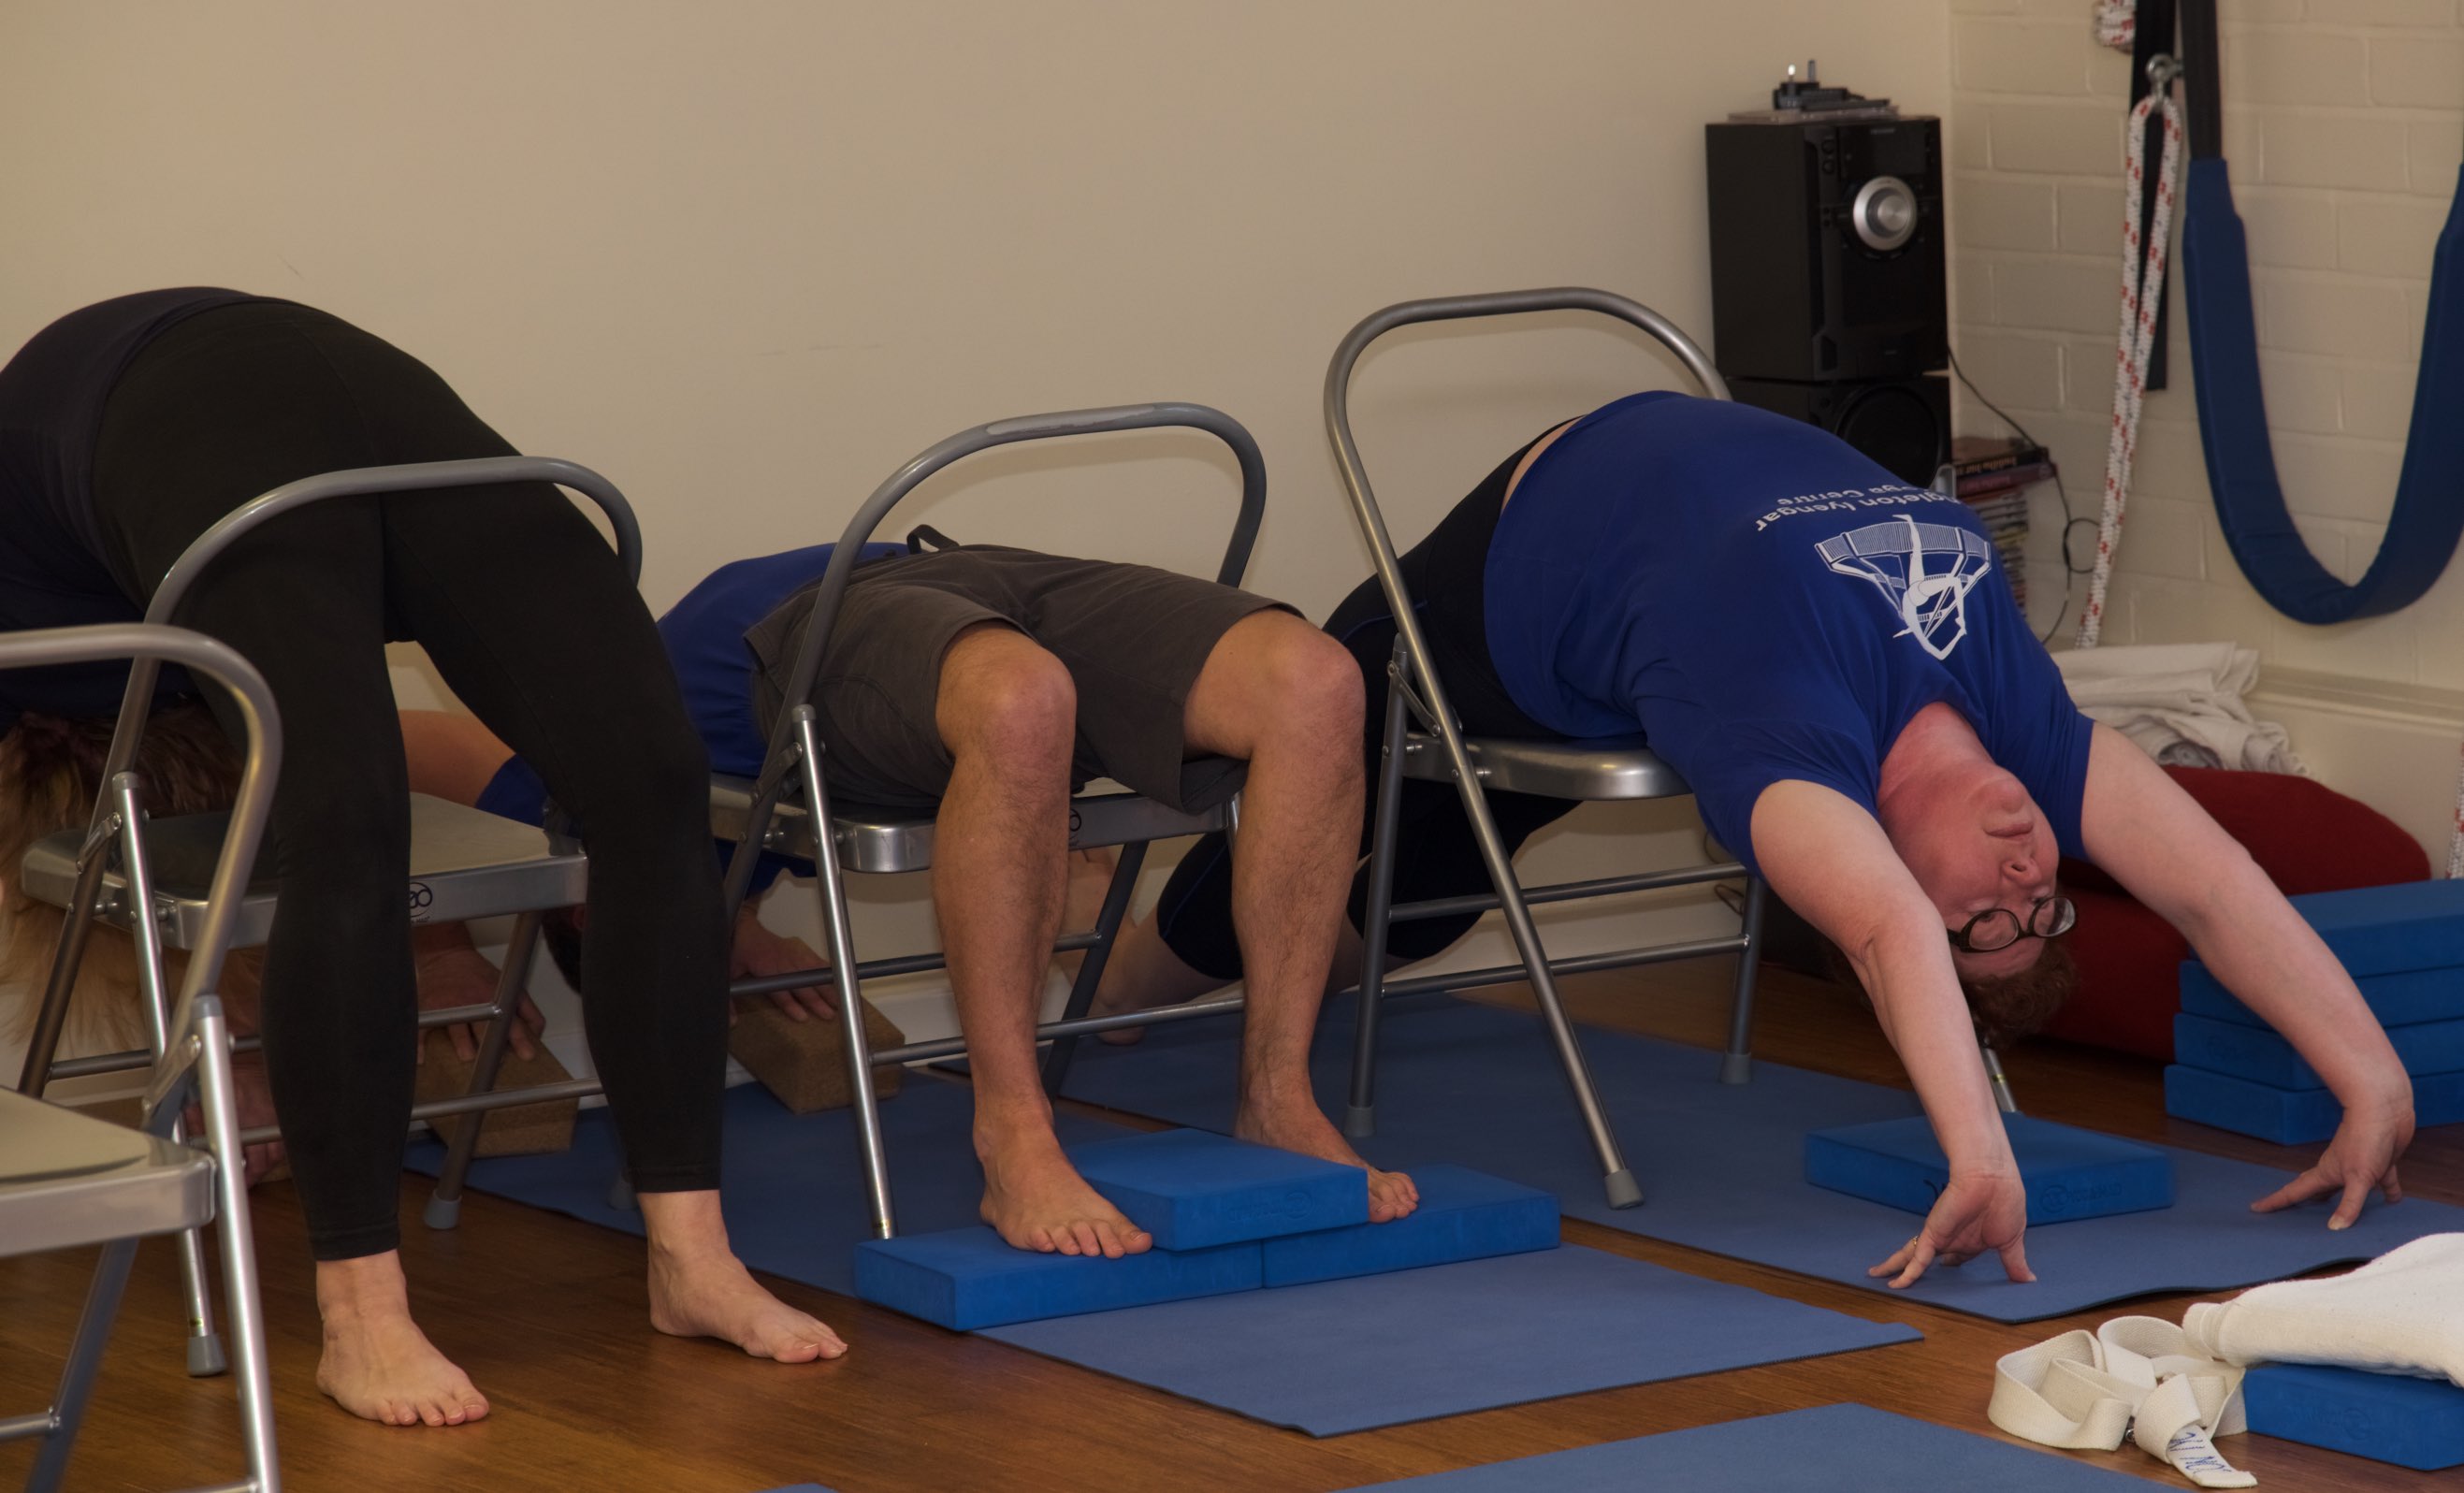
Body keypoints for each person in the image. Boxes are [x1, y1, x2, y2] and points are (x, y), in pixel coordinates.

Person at [1085, 389, 2418, 1287]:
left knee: (1398, 901)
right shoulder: (2026, 721)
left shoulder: (1794, 770)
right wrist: (2371, 1081)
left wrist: (1975, 1157)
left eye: (1990, 926)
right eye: (2044, 911)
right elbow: (2211, 887)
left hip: (1505, 616)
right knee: (1390, 884)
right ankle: (1126, 963)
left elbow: (1887, 930)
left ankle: (1124, 968)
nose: (2028, 880)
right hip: (1594, 509)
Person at [0, 289, 841, 1429]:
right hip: (209, 390)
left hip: (196, 387)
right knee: (343, 820)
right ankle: (362, 1317)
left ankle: (692, 1260)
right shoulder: (81, 638)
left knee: (651, 778)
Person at [402, 535, 1420, 1256]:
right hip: (856, 651)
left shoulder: (563, 794)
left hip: (933, 572)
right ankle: (1013, 1137)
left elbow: (398, 740)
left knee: (1319, 681)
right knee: (1022, 703)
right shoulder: (708, 845)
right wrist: (451, 953)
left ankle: (1278, 1098)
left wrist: (441, 940)